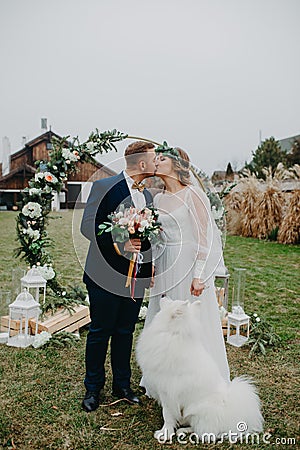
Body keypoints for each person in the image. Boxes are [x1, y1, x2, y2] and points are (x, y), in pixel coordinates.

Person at [80, 141, 157, 412]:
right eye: (154, 158)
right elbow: (88, 226)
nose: (157, 163)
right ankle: (93, 389)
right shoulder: (104, 187)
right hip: (104, 274)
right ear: (141, 163)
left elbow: (147, 238)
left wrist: (148, 269)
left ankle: (122, 385)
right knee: (100, 331)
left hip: (134, 277)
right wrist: (119, 241)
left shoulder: (147, 196)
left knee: (126, 331)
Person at [143, 146, 230, 383]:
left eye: (162, 159)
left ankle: (195, 379)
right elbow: (157, 236)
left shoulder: (192, 195)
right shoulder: (158, 198)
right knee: (164, 321)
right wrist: (150, 264)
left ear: (176, 164)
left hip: (187, 266)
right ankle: (165, 377)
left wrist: (199, 275)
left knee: (189, 323)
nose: (156, 162)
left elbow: (205, 238)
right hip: (164, 265)